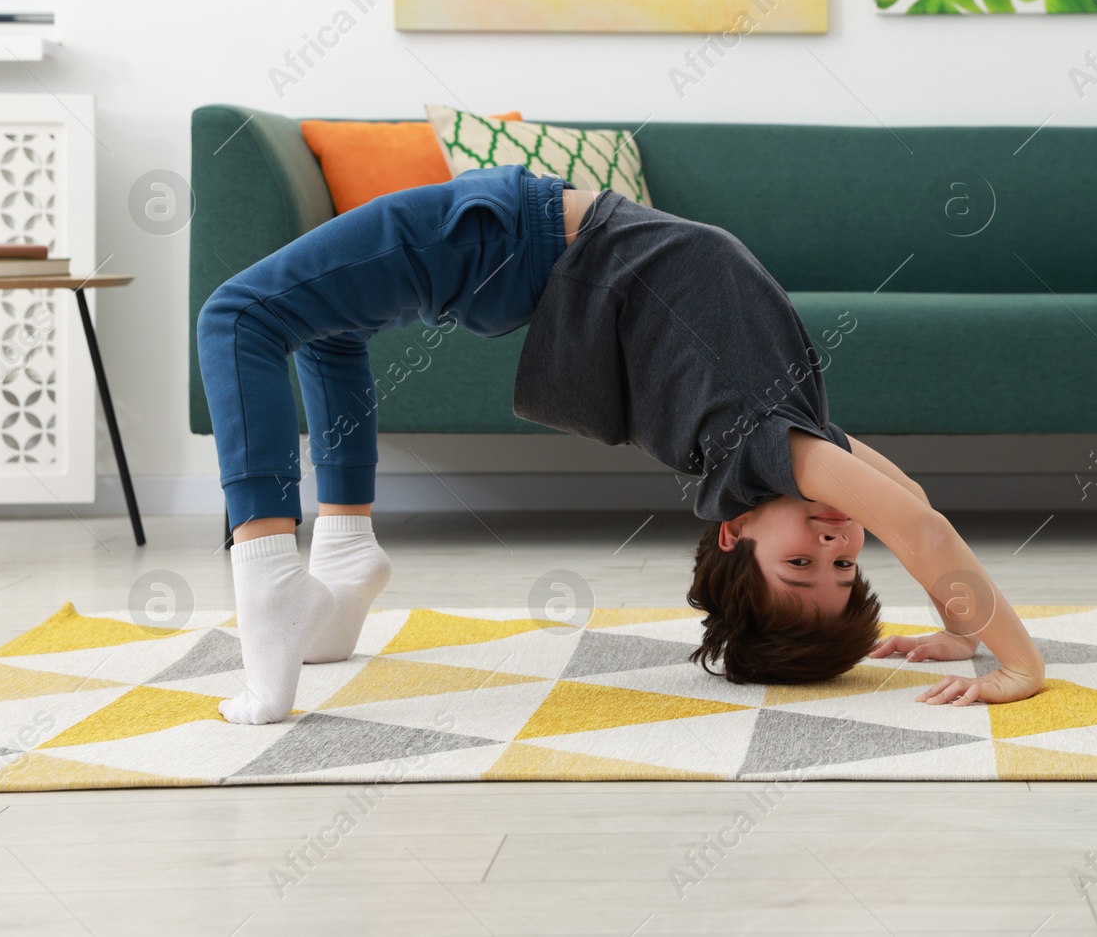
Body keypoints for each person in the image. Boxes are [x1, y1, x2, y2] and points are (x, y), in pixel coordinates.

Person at [197, 163, 1046, 724]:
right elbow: (920, 516)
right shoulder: (798, 444)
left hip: (504, 237)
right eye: (842, 566)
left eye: (801, 567)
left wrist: (1018, 664)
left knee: (238, 316)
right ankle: (345, 556)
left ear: (736, 531)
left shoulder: (768, 454)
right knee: (327, 327)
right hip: (525, 251)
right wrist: (966, 636)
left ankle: (270, 579)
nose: (831, 544)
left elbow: (920, 533)